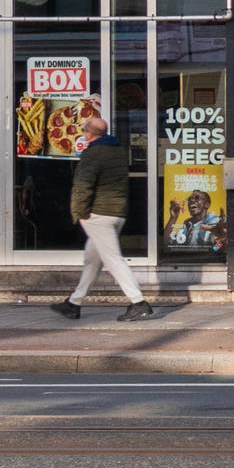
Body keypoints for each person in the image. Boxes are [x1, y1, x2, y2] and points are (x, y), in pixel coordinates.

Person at [52, 115, 152, 321]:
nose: (83, 132)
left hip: (98, 214)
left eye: (84, 129)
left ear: (89, 133)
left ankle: (139, 302)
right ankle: (74, 303)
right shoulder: (118, 151)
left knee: (113, 260)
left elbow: (83, 185)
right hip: (117, 212)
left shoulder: (93, 153)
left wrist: (79, 212)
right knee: (93, 260)